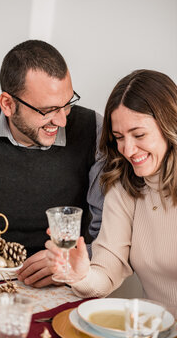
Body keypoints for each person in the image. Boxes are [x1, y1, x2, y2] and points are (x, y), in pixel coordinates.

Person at [0, 39, 104, 287]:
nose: (62, 121)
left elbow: (111, 233)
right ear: (8, 104)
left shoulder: (95, 131)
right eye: (47, 110)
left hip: (65, 280)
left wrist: (76, 259)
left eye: (68, 104)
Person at [45, 69, 177, 316]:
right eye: (118, 137)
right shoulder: (125, 185)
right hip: (150, 328)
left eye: (139, 135)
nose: (128, 149)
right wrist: (80, 274)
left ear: (170, 125)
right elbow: (106, 272)